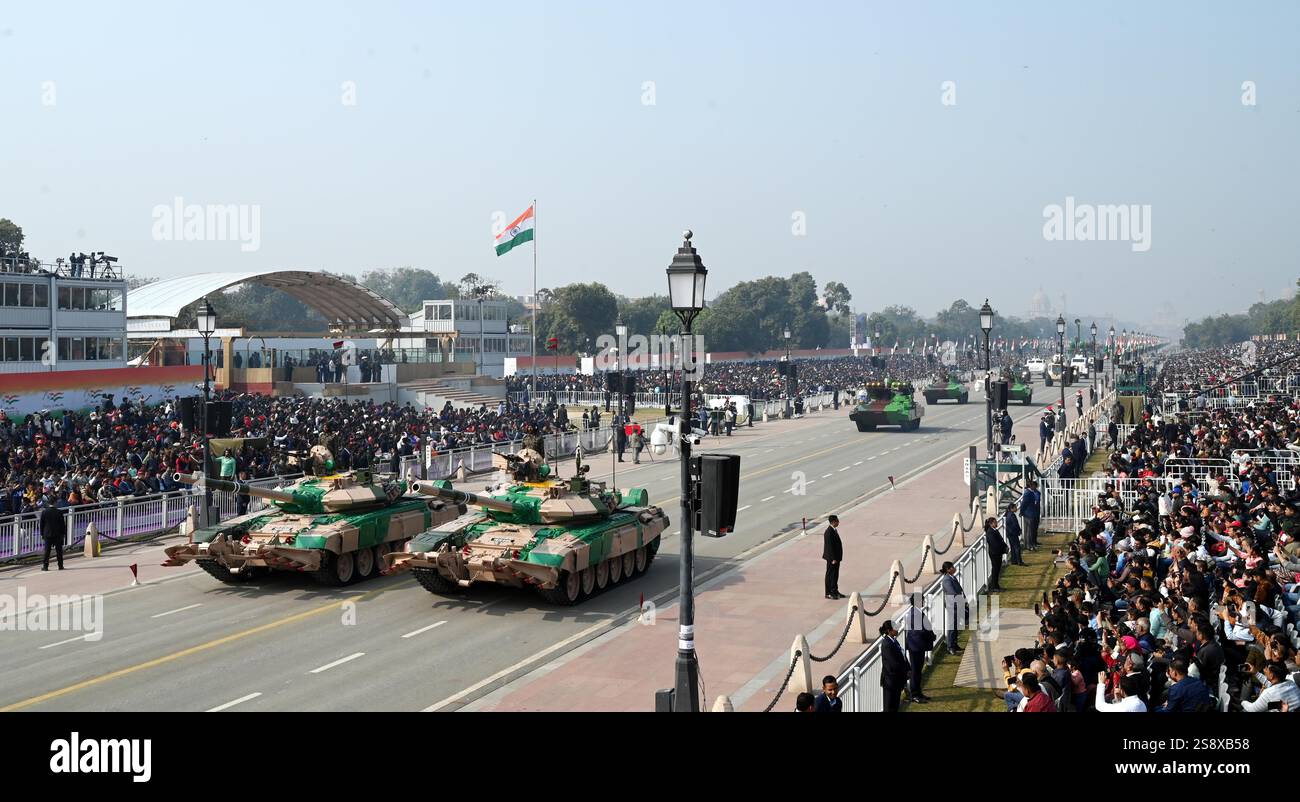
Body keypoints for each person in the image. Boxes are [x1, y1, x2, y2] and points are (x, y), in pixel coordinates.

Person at [904, 599, 935, 703]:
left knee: (918, 671)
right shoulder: (914, 613)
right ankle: (914, 694)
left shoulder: (916, 611)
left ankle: (918, 692)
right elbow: (920, 630)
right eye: (922, 599)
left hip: (918, 646)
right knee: (915, 671)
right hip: (915, 646)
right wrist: (931, 635)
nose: (923, 601)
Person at [879, 621, 909, 712]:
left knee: (895, 705)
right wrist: (905, 671)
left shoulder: (894, 641)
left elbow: (902, 655)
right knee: (889, 706)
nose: (898, 629)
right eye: (895, 628)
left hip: (896, 679)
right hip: (890, 680)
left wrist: (908, 668)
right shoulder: (887, 644)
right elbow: (894, 663)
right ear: (889, 630)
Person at [940, 561, 965, 653]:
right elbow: (952, 592)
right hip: (952, 606)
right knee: (952, 626)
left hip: (957, 604)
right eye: (952, 567)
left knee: (956, 626)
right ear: (947, 569)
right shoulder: (946, 580)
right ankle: (950, 647)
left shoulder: (952, 577)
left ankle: (954, 644)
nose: (954, 568)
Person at [40, 502, 66, 571]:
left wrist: (42, 534)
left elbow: (41, 524)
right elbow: (62, 524)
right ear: (55, 503)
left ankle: (45, 566)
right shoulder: (59, 512)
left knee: (47, 551)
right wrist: (63, 533)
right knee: (59, 551)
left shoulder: (44, 512)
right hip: (57, 533)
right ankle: (60, 565)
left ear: (48, 503)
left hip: (47, 534)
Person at [823, 514, 843, 600]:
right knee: (830, 574)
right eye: (837, 521)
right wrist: (833, 558)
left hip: (836, 558)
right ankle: (829, 592)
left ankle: (835, 590)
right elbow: (830, 547)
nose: (838, 522)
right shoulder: (829, 532)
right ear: (833, 522)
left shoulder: (833, 530)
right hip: (832, 558)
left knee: (835, 574)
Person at [984, 516, 1007, 592]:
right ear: (991, 524)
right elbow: (995, 544)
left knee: (997, 569)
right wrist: (1003, 549)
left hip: (998, 552)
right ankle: (994, 586)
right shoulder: (990, 532)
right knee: (995, 569)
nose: (996, 523)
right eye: (995, 522)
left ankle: (996, 585)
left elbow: (1000, 540)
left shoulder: (994, 530)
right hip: (995, 553)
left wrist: (1005, 547)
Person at [1020, 479, 1041, 550]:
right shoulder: (1028, 493)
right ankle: (1029, 545)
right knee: (1029, 531)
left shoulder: (1030, 493)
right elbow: (1024, 504)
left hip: (1030, 513)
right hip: (1029, 514)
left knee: (1029, 530)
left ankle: (1029, 544)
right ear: (1031, 486)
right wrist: (1021, 512)